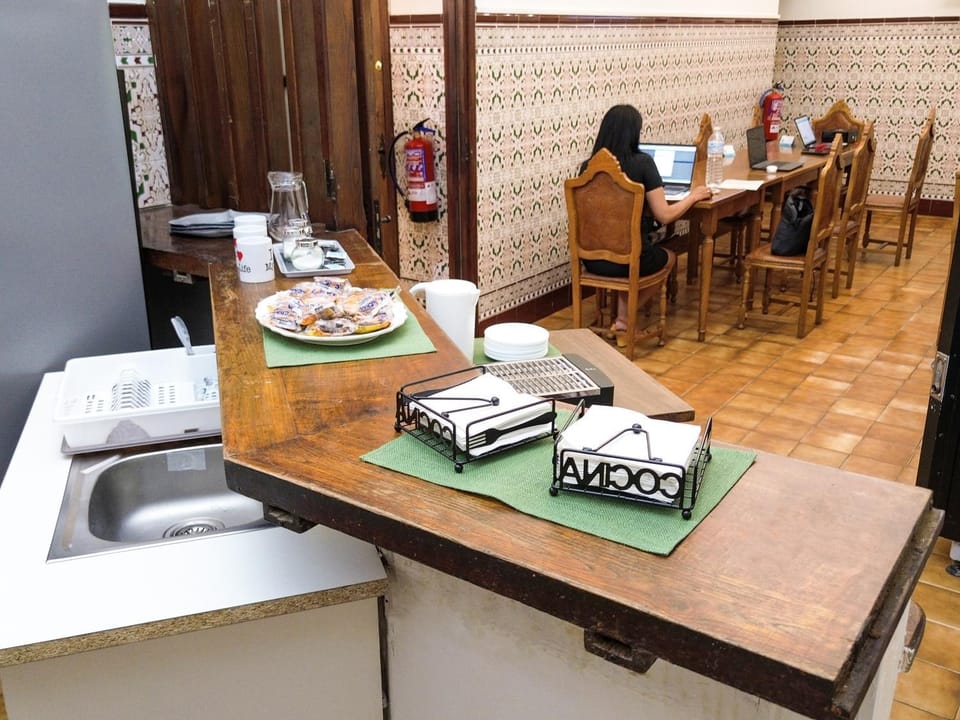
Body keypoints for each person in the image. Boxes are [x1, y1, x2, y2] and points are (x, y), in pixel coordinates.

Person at [579, 104, 712, 341]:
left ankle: (620, 319)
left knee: (632, 256)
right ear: (634, 133)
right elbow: (665, 216)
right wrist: (693, 196)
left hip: (591, 260)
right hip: (629, 260)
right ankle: (623, 320)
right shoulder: (642, 164)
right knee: (667, 258)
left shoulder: (587, 168)